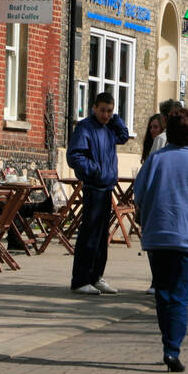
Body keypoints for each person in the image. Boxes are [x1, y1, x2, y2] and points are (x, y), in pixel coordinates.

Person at [131, 107, 188, 372]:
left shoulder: (155, 161)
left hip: (157, 236)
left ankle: (167, 342)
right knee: (180, 296)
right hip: (187, 238)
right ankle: (172, 348)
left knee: (163, 294)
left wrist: (149, 215)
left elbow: (140, 197)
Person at [66, 91, 130, 295]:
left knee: (102, 236)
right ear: (94, 108)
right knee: (89, 235)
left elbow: (124, 136)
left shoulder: (110, 128)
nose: (106, 115)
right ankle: (81, 279)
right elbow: (74, 156)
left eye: (110, 111)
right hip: (93, 187)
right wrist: (95, 171)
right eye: (102, 110)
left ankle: (96, 276)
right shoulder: (85, 127)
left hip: (107, 187)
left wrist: (116, 119)